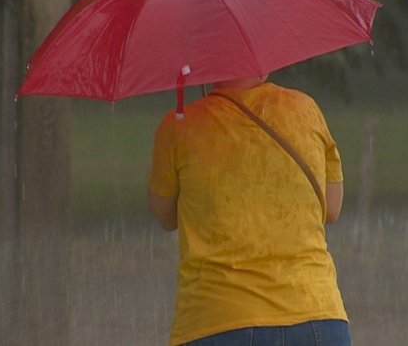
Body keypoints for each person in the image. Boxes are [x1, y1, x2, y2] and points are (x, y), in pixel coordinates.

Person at [148, 75, 349, 346]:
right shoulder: (305, 111)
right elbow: (332, 207)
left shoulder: (179, 127)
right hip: (316, 316)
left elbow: (165, 216)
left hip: (218, 319)